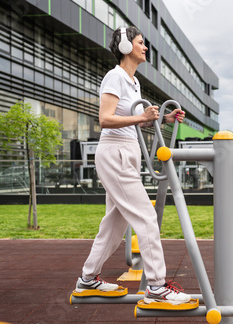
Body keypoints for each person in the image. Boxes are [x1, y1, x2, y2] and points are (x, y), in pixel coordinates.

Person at [75, 26, 190, 305]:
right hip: (114, 152)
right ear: (126, 46)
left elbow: (137, 119)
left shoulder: (134, 82)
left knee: (114, 226)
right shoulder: (115, 77)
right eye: (141, 43)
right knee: (147, 218)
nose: (146, 48)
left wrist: (163, 118)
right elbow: (105, 119)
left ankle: (87, 279)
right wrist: (141, 119)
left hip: (126, 151)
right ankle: (156, 287)